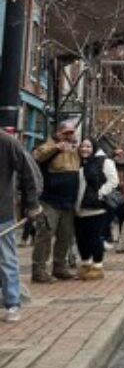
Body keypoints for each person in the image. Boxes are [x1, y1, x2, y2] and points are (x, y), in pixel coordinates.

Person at [0, 130, 43, 322]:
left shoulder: (7, 143)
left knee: (6, 259)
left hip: (1, 213)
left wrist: (32, 204)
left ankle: (13, 303)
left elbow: (29, 174)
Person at [31, 120, 81, 283]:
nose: (69, 136)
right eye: (65, 133)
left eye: (71, 132)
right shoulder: (48, 145)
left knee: (65, 236)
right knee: (45, 235)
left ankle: (60, 267)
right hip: (50, 200)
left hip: (68, 201)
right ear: (58, 132)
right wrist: (56, 148)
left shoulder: (74, 149)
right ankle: (39, 270)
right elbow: (37, 156)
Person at [73, 139, 119, 280]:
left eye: (88, 146)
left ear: (94, 148)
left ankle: (97, 266)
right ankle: (85, 264)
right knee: (81, 238)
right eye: (82, 146)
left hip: (96, 208)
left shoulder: (104, 162)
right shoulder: (78, 162)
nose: (84, 149)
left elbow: (113, 180)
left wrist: (100, 193)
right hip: (78, 207)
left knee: (94, 238)